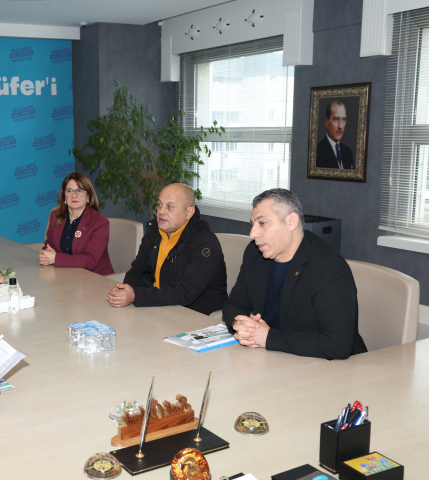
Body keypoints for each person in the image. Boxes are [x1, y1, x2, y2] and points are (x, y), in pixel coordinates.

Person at [223, 188, 367, 359]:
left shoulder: (329, 268)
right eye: (252, 224)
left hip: (330, 367)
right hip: (273, 358)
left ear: (291, 222)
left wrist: (268, 337)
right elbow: (233, 305)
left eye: (262, 223)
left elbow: (338, 345)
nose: (252, 234)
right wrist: (242, 325)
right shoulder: (254, 254)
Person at [107, 183, 227, 316]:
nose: (161, 211)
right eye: (159, 205)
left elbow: (184, 293)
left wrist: (136, 295)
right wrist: (126, 291)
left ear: (189, 213)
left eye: (169, 207)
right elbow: (137, 271)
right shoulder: (154, 234)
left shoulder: (205, 243)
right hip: (159, 308)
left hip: (196, 317)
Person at [38, 172, 114, 275]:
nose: (74, 195)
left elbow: (90, 261)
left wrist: (56, 258)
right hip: (65, 275)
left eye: (79, 191)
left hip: (95, 279)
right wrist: (44, 255)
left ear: (88, 196)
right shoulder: (55, 216)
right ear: (64, 196)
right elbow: (50, 244)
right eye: (69, 191)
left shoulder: (100, 223)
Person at [316, 101, 355, 169]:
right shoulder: (317, 152)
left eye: (343, 120)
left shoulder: (347, 152)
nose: (340, 126)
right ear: (326, 122)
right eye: (336, 119)